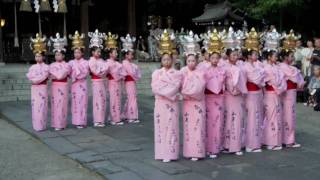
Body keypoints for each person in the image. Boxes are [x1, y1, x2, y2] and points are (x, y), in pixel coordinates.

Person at [152, 30, 182, 163]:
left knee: (171, 127)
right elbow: (155, 88)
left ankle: (171, 153)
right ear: (161, 60)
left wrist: (166, 91)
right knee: (161, 127)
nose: (166, 61)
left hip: (171, 103)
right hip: (160, 104)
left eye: (168, 59)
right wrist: (166, 91)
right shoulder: (156, 73)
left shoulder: (177, 73)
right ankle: (161, 153)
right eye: (164, 59)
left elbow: (176, 87)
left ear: (172, 59)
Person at [180, 34, 206, 161]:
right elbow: (180, 86)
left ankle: (198, 151)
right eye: (189, 61)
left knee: (198, 126)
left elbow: (200, 88)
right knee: (189, 127)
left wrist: (189, 91)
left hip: (197, 102)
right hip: (187, 103)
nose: (191, 63)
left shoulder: (201, 72)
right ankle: (189, 151)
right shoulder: (182, 72)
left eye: (193, 60)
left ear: (197, 61)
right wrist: (186, 92)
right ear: (186, 61)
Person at [242, 28, 265, 153]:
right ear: (249, 56)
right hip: (251, 94)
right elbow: (257, 79)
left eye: (257, 54)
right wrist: (261, 75)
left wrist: (261, 75)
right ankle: (250, 144)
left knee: (257, 117)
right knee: (252, 118)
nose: (257, 56)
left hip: (257, 93)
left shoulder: (255, 66)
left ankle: (256, 142)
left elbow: (262, 78)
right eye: (254, 54)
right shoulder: (246, 66)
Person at [279, 50, 304, 148]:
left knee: (287, 115)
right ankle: (288, 140)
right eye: (291, 56)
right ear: (285, 57)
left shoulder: (287, 67)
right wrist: (296, 72)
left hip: (290, 92)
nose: (293, 58)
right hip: (288, 92)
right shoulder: (283, 67)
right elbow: (294, 78)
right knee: (289, 115)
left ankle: (285, 138)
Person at [263, 50, 287, 150]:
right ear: (269, 57)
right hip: (270, 94)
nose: (276, 58)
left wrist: (281, 86)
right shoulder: (265, 67)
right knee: (271, 117)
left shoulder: (276, 67)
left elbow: (282, 78)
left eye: (276, 56)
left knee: (276, 116)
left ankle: (273, 140)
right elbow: (271, 81)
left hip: (276, 93)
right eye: (274, 56)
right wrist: (278, 85)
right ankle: (270, 142)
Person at [26, 33, 49, 131]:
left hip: (42, 88)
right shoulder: (32, 67)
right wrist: (37, 79)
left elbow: (43, 77)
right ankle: (36, 126)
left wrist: (36, 79)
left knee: (42, 107)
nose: (38, 58)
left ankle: (42, 125)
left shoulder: (47, 67)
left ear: (43, 57)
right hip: (34, 89)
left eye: (40, 56)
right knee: (35, 107)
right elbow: (30, 77)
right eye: (36, 56)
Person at [49, 33, 71, 131]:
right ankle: (55, 123)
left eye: (59, 54)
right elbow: (50, 75)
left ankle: (61, 124)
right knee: (55, 105)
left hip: (63, 85)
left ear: (63, 55)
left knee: (62, 104)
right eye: (56, 54)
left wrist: (56, 75)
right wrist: (56, 75)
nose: (57, 56)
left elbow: (62, 75)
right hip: (54, 86)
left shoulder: (67, 65)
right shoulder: (52, 65)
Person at [68, 31, 89, 129]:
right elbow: (68, 73)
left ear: (82, 53)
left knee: (82, 102)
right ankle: (76, 121)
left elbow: (85, 73)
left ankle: (82, 121)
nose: (76, 54)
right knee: (75, 103)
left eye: (78, 52)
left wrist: (77, 74)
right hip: (74, 85)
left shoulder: (85, 62)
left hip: (82, 84)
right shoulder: (71, 62)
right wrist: (73, 75)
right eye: (75, 52)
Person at [88, 29, 108, 127]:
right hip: (96, 81)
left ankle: (101, 119)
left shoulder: (101, 60)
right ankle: (97, 120)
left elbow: (105, 68)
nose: (99, 53)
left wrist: (102, 70)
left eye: (100, 51)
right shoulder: (91, 61)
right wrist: (101, 70)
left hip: (102, 81)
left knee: (103, 100)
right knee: (97, 100)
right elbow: (95, 71)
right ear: (92, 52)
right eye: (97, 51)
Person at [121, 34, 142, 123]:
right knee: (132, 98)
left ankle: (126, 115)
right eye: (130, 54)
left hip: (131, 82)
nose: (132, 56)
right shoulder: (125, 63)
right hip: (129, 82)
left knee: (131, 98)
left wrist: (136, 71)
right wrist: (135, 72)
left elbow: (136, 72)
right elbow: (132, 73)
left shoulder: (130, 64)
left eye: (132, 54)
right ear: (126, 55)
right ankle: (132, 117)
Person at [105, 45, 126, 125]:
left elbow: (123, 73)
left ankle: (114, 117)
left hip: (118, 83)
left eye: (116, 52)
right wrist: (120, 74)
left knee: (118, 100)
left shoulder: (117, 63)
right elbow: (114, 73)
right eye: (115, 52)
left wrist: (121, 75)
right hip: (112, 82)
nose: (116, 54)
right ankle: (115, 119)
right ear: (110, 54)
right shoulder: (108, 63)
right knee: (114, 100)